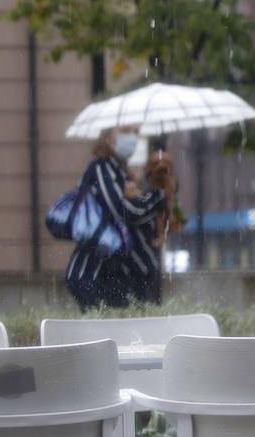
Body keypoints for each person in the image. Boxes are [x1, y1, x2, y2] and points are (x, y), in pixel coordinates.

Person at [65, 125, 175, 310]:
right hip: (97, 274)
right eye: (125, 131)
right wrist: (157, 197)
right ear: (107, 137)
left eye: (135, 132)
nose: (131, 137)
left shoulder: (120, 171)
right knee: (129, 329)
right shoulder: (101, 167)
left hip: (125, 275)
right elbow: (122, 212)